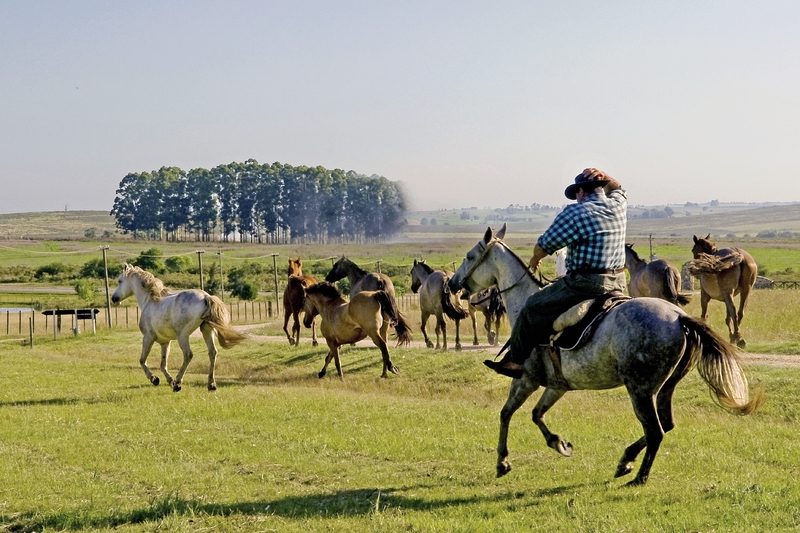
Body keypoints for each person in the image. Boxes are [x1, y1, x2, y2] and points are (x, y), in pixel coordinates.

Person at [484, 167, 628, 378]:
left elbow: (544, 245)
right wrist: (605, 176)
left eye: (576, 194)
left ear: (580, 192)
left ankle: (515, 362)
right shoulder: (618, 204)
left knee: (532, 307)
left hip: (585, 284)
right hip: (618, 283)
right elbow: (620, 187)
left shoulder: (576, 213)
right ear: (602, 188)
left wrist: (535, 259)